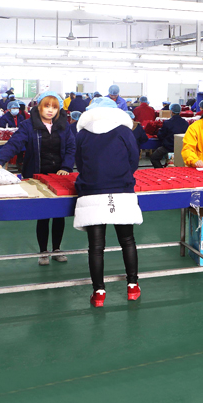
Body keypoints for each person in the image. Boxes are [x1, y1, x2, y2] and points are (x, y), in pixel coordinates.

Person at [0, 91, 76, 265]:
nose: (50, 110)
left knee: (59, 214)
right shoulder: (28, 126)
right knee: (43, 214)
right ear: (39, 107)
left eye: (54, 107)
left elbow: (71, 148)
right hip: (37, 175)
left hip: (59, 175)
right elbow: (14, 144)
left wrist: (66, 167)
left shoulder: (64, 126)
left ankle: (57, 249)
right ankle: (43, 251)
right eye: (47, 106)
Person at [73, 96, 142, 307]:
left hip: (92, 191)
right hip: (121, 190)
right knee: (127, 240)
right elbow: (134, 159)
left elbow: (79, 163)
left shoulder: (82, 134)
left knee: (96, 247)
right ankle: (132, 287)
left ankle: (99, 293)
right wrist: (121, 174)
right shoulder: (124, 131)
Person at [151, 103, 189, 168]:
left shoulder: (167, 123)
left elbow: (160, 135)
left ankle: (161, 171)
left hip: (168, 147)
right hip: (181, 148)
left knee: (154, 158)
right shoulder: (186, 123)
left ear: (171, 112)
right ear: (180, 112)